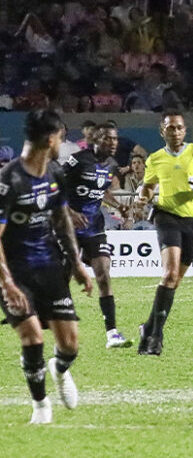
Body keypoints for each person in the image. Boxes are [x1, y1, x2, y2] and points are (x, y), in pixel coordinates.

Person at [0, 110, 94, 424]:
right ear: (49, 138)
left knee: (69, 345)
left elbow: (62, 219)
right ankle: (41, 407)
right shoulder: (9, 179)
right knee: (32, 337)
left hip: (50, 268)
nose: (61, 144)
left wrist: (78, 265)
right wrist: (7, 284)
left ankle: (59, 369)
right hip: (14, 271)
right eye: (60, 138)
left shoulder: (54, 173)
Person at [132, 111, 193, 355]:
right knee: (169, 274)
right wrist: (143, 199)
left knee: (174, 281)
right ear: (162, 131)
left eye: (179, 128)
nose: (175, 132)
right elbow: (149, 186)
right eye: (170, 128)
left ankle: (149, 326)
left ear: (185, 131)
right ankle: (156, 336)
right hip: (166, 217)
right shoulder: (154, 159)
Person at [62, 122, 132, 348]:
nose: (113, 143)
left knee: (103, 273)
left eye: (115, 139)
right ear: (96, 140)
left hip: (94, 227)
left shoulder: (111, 165)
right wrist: (70, 211)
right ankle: (58, 328)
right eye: (107, 139)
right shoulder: (78, 160)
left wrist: (117, 205)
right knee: (63, 278)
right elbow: (55, 187)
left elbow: (102, 190)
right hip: (69, 227)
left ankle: (112, 333)